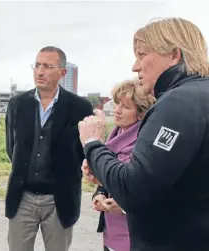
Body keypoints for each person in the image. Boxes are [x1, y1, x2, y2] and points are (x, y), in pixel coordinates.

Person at [79, 18, 209, 251]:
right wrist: (105, 176)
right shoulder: (200, 96)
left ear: (174, 55)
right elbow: (179, 179)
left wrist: (92, 142)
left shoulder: (177, 103)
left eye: (142, 55)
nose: (134, 66)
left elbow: (133, 189)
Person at [5, 46, 93, 251]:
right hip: (23, 197)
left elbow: (82, 152)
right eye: (37, 65)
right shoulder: (17, 104)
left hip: (59, 198)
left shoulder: (80, 107)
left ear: (62, 72)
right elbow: (12, 147)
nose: (40, 71)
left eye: (47, 66)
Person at [88, 80, 155, 251]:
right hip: (111, 232)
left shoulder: (144, 143)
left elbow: (150, 190)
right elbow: (109, 174)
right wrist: (100, 193)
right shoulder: (115, 134)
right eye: (117, 103)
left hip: (134, 236)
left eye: (125, 107)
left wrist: (124, 207)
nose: (117, 110)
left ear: (141, 113)